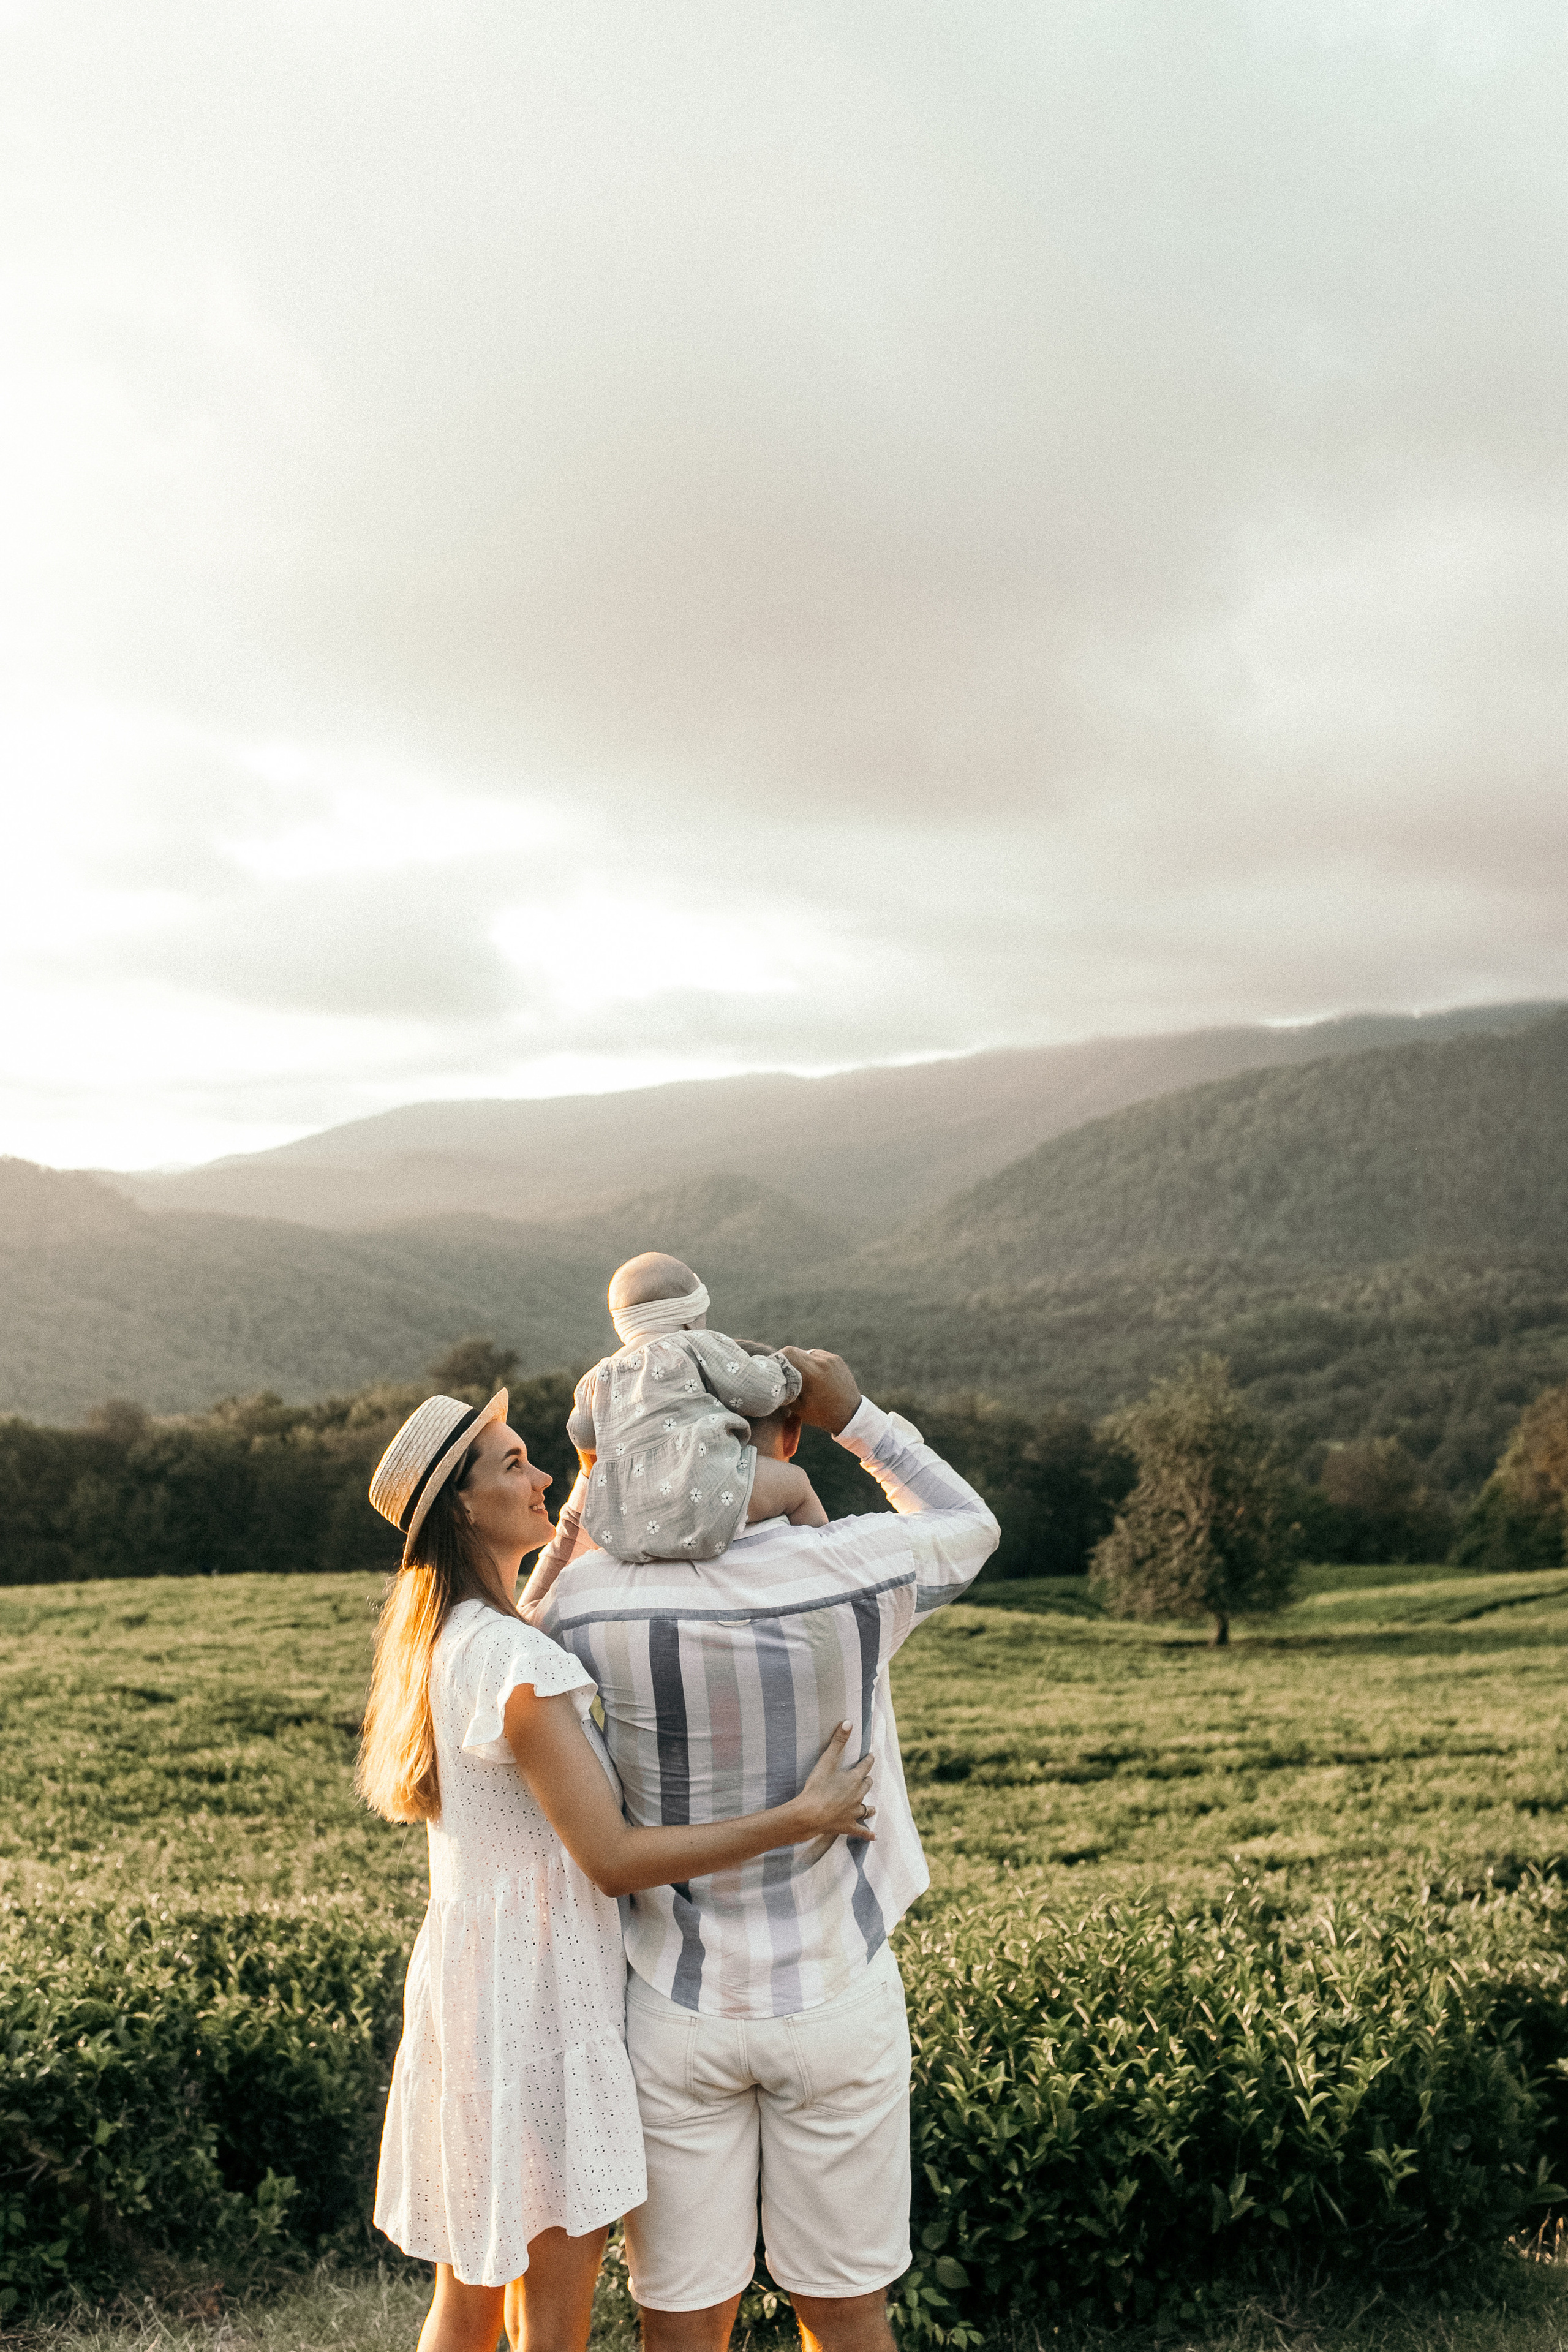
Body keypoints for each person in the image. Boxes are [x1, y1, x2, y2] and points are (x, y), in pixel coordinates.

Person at [356, 1385, 878, 2352]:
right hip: (545, 1999)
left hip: (477, 1985)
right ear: (464, 1508)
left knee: (471, 2299)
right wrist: (798, 1816)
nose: (542, 1472)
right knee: (553, 2320)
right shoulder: (519, 1663)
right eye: (515, 1463)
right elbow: (613, 1860)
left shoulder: (452, 1640)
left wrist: (592, 1493)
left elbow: (540, 1591)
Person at [521, 1346, 1000, 2352]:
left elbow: (518, 1646)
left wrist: (597, 1495)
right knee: (847, 2314)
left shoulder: (586, 1603)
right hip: (835, 1987)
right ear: (753, 1446)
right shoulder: (856, 1572)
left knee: (683, 2319)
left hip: (675, 2000)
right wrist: (856, 1417)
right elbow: (971, 1524)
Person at [564, 1252, 826, 1566]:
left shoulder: (597, 1377)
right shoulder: (694, 1344)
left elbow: (582, 1436)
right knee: (796, 1486)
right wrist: (786, 1372)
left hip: (624, 1521)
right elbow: (757, 1392)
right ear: (690, 1318)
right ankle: (825, 1561)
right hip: (704, 1492)